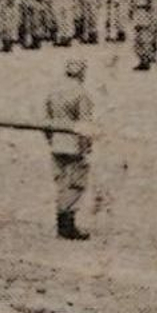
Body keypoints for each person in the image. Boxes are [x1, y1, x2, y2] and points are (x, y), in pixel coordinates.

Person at [43, 60, 95, 241]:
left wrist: (51, 140)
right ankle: (67, 226)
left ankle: (61, 224)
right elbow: (84, 124)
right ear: (82, 73)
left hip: (57, 143)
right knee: (75, 185)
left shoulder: (54, 91)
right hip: (73, 145)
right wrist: (86, 146)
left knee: (61, 184)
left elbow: (46, 121)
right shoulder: (81, 94)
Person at [130, 0, 156, 71]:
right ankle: (140, 61)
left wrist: (152, 18)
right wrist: (132, 15)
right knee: (137, 40)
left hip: (146, 16)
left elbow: (152, 6)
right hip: (137, 17)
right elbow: (132, 4)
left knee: (146, 40)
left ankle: (146, 61)